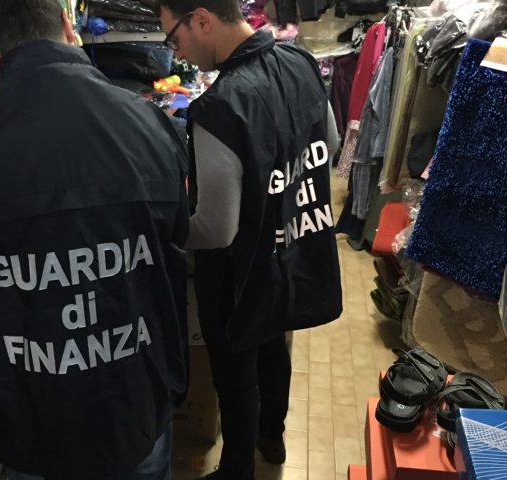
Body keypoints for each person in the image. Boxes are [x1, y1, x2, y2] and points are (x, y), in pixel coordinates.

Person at [0, 1, 189, 479]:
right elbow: (175, 238)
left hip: (26, 407)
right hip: (134, 396)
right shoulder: (152, 125)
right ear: (68, 27)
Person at [156, 1, 344, 478]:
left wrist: (164, 229)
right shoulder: (299, 61)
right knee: (273, 343)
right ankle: (271, 438)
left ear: (202, 20)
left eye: (174, 38)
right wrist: (277, 186)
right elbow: (329, 145)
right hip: (291, 244)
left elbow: (216, 229)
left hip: (238, 273)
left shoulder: (219, 107)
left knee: (236, 371)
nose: (177, 52)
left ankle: (237, 469)